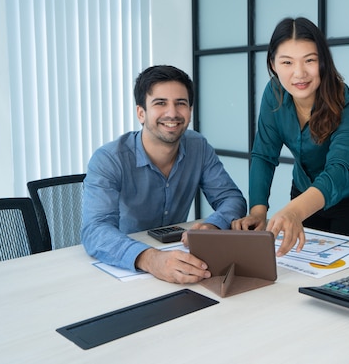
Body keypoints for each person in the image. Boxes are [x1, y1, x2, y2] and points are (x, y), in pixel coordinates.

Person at [82, 65, 247, 284]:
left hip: (178, 259)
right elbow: (95, 228)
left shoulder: (198, 146)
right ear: (141, 113)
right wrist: (150, 259)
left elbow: (231, 199)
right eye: (160, 103)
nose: (172, 113)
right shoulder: (109, 158)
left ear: (190, 111)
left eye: (181, 103)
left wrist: (214, 225)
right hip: (120, 267)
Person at [232, 17, 349, 256]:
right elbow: (264, 155)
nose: (299, 73)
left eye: (309, 60)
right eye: (287, 62)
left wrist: (293, 211)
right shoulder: (274, 93)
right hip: (303, 192)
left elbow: (340, 168)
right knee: (298, 268)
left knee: (342, 276)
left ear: (323, 61)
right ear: (273, 64)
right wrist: (258, 212)